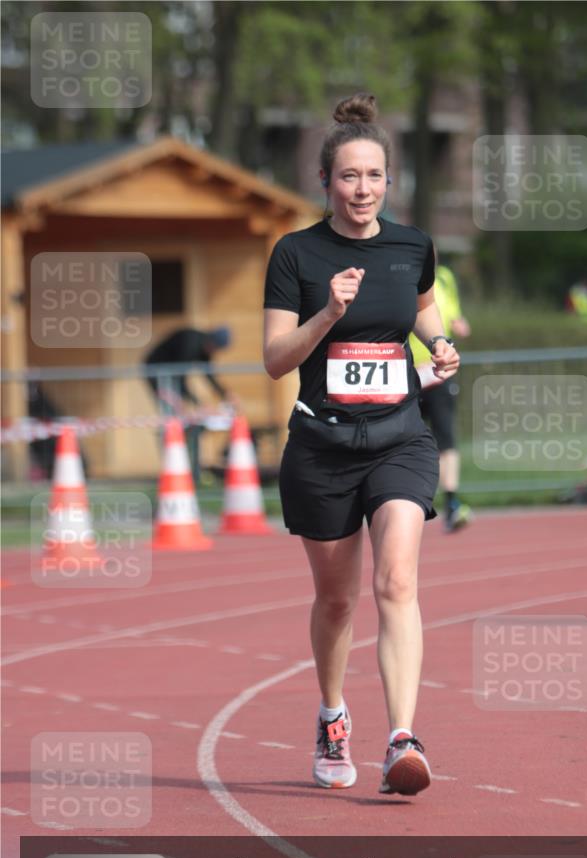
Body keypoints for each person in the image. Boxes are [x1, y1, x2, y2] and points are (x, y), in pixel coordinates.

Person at [263, 93, 459, 797]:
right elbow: (275, 359)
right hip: (320, 445)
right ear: (326, 183)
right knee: (338, 601)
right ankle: (331, 713)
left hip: (400, 437)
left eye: (373, 176)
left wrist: (436, 343)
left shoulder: (410, 247)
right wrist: (328, 313)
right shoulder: (296, 253)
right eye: (348, 176)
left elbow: (421, 302)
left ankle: (402, 736)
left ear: (388, 180)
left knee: (396, 581)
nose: (362, 189)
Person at [409, 263, 472, 531]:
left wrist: (457, 327)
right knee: (407, 442)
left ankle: (452, 502)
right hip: (407, 375)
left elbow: (454, 316)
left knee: (446, 439)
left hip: (439, 375)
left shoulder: (445, 278)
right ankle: (410, 502)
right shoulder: (399, 273)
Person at [144, 326, 231, 482]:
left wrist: (226, 394)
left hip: (169, 374)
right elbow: (181, 378)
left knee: (184, 417)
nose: (214, 352)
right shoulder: (190, 343)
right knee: (172, 417)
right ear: (212, 342)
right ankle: (172, 468)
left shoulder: (205, 349)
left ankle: (187, 469)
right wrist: (196, 402)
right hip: (156, 372)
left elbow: (209, 375)